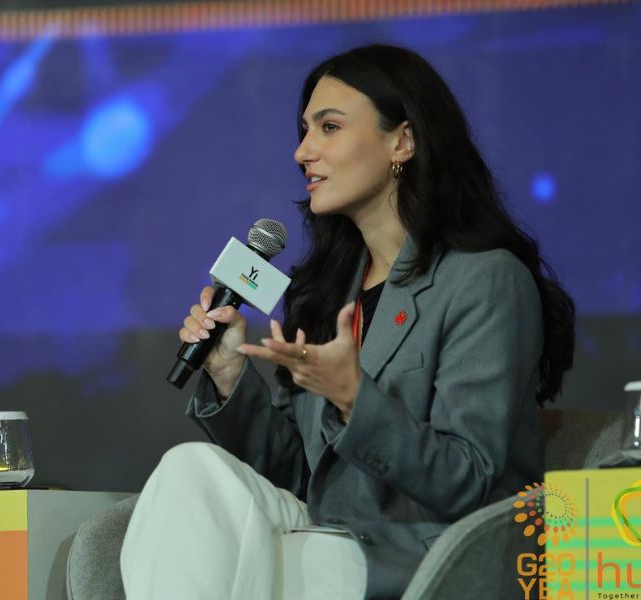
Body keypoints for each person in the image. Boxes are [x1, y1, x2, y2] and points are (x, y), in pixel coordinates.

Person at [120, 44, 575, 600]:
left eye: (328, 127)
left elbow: (473, 482)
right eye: (304, 130)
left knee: (238, 561)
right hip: (322, 538)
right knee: (188, 468)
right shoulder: (328, 291)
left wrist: (355, 399)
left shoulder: (484, 280)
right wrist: (229, 373)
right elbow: (297, 474)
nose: (301, 151)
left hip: (429, 556)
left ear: (402, 141)